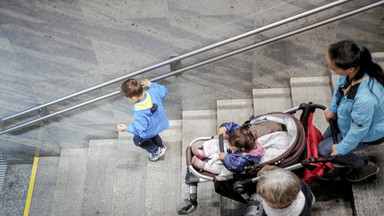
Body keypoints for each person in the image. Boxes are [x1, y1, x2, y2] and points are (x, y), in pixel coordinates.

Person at [318, 40, 384, 182]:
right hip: (349, 117)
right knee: (323, 142)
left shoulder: (366, 99)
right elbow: (341, 86)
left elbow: (358, 131)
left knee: (324, 150)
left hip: (369, 132)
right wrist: (333, 107)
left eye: (333, 67)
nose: (329, 68)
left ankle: (363, 166)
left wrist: (341, 148)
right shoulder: (357, 62)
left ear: (351, 69)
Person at [117, 78, 169, 161]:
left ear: (134, 99)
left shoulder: (140, 113)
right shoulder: (153, 92)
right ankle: (161, 146)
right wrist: (151, 84)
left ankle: (156, 151)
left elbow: (140, 129)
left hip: (149, 130)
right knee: (154, 135)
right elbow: (164, 90)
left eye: (128, 99)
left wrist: (126, 129)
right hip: (158, 124)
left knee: (137, 140)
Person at [191, 127, 264, 176]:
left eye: (231, 144)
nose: (229, 143)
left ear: (242, 149)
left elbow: (236, 166)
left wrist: (225, 158)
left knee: (222, 170)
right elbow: (233, 126)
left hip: (232, 164)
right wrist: (225, 127)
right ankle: (204, 153)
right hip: (232, 152)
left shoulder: (244, 158)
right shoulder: (243, 136)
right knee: (221, 143)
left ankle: (204, 166)